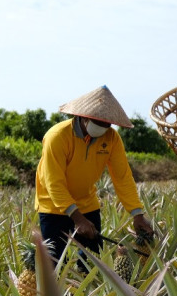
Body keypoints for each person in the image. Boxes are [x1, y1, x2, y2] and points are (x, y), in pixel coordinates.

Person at [34, 85, 154, 265]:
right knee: (54, 263)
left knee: (92, 263)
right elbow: (54, 183)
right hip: (53, 207)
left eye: (108, 124)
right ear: (83, 117)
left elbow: (122, 177)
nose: (104, 128)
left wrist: (137, 214)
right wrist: (77, 218)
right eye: (99, 123)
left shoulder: (112, 138)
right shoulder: (57, 136)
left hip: (87, 203)